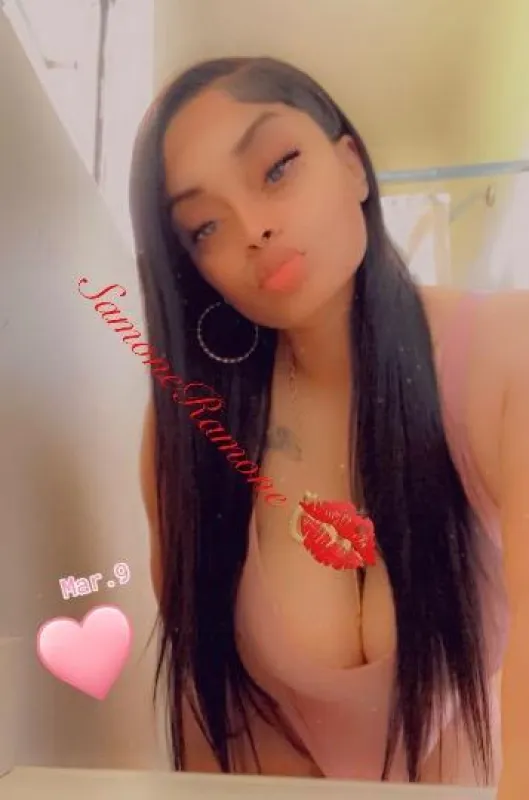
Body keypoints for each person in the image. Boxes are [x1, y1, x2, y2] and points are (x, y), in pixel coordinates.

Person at [130, 56, 529, 793]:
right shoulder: (189, 432)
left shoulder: (504, 352)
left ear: (351, 164)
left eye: (277, 168)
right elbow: (211, 725)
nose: (254, 228)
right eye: (205, 226)